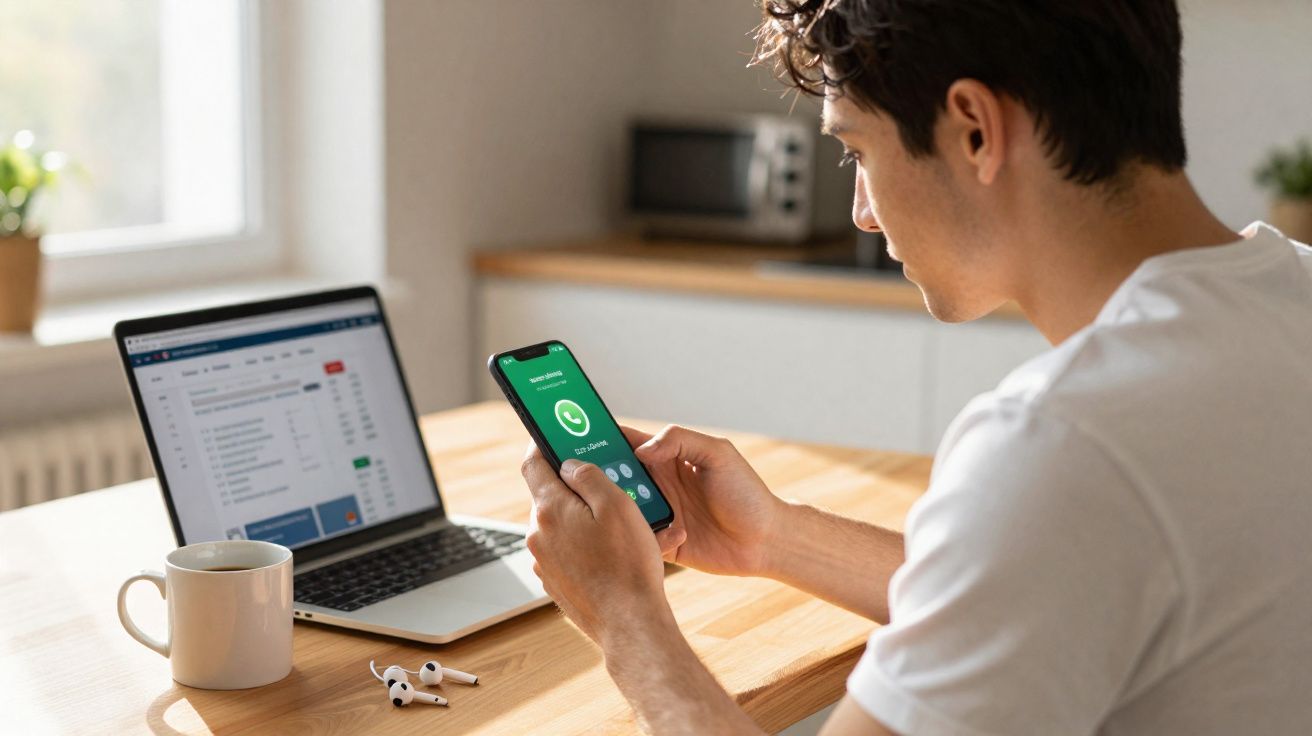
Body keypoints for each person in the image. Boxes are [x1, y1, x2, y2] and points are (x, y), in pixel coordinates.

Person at [520, 1, 1312, 733]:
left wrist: (624, 615)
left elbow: (1066, 519)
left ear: (974, 128)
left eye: (858, 149)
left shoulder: (1068, 442)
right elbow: (1052, 579)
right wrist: (779, 538)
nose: (863, 209)